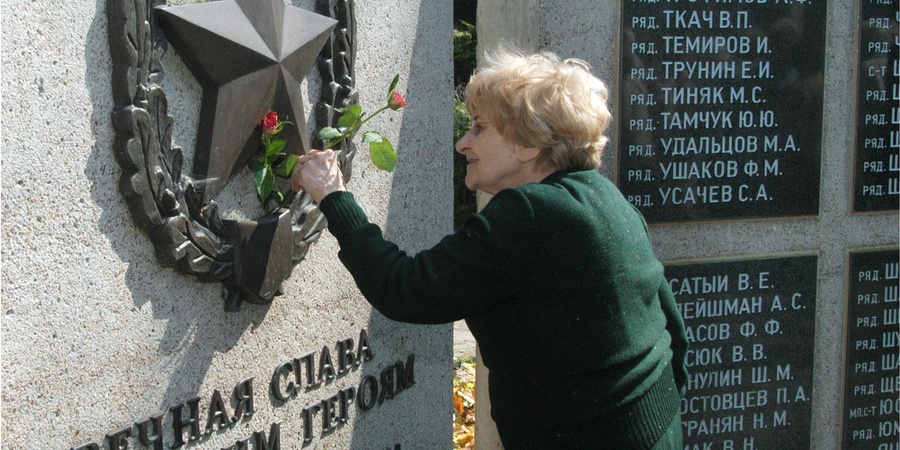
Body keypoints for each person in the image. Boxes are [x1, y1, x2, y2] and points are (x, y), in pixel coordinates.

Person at [292, 49, 688, 449]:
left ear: (528, 143)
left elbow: (405, 288)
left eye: (479, 128)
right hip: (658, 428)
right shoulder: (607, 198)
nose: (463, 143)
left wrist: (333, 195)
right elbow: (672, 327)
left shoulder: (530, 213)